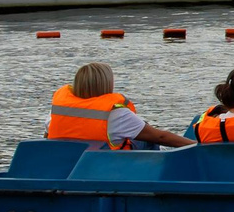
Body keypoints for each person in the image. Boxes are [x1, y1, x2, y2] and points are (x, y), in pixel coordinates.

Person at [47, 62, 193, 150]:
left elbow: (48, 136)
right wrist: (196, 145)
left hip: (68, 164)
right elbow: (161, 137)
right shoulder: (115, 114)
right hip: (105, 165)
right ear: (106, 84)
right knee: (148, 138)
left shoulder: (58, 110)